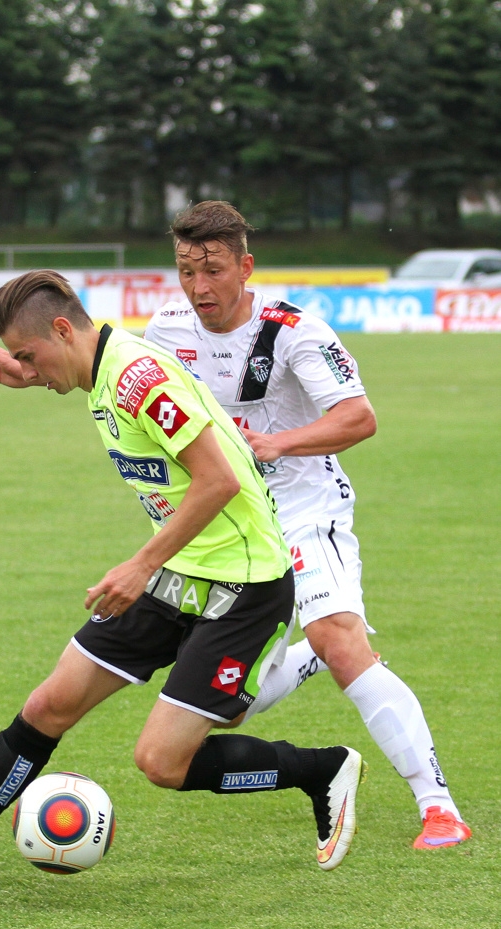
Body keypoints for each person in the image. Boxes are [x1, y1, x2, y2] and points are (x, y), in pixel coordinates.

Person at [0, 269, 366, 891]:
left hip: (246, 584)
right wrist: (32, 373)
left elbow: (219, 481)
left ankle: (322, 768)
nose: (27, 367)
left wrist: (139, 564)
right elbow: (71, 370)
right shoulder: (101, 364)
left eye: (28, 354)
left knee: (162, 762)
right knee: (49, 704)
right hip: (180, 570)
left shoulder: (136, 378)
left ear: (64, 329)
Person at [144, 200, 471, 851]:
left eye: (211, 270)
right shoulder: (165, 330)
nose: (198, 286)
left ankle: (438, 807)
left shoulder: (294, 331)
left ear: (245, 266)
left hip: (303, 508)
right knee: (232, 705)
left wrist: (274, 444)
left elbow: (357, 417)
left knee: (338, 637)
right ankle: (315, 656)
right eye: (185, 271)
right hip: (229, 528)